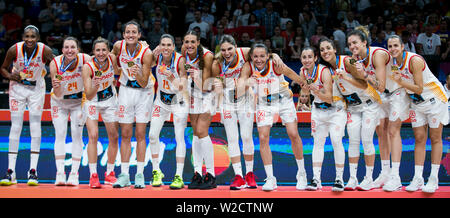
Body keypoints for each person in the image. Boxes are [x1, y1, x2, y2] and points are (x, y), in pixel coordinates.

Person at [236, 43, 307, 191]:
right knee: (263, 137)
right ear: (251, 57)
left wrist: (305, 85)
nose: (259, 59)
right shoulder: (248, 67)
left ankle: (302, 173)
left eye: (262, 56)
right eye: (255, 56)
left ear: (268, 56)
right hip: (264, 104)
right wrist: (247, 83)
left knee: (293, 134)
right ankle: (270, 178)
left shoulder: (275, 64)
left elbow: (294, 76)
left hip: (284, 101)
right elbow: (240, 86)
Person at [347, 27, 410, 191]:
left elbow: (380, 86)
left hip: (396, 91)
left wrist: (364, 75)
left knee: (393, 131)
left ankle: (395, 177)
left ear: (364, 43)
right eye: (349, 44)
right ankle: (385, 172)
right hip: (380, 96)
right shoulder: (357, 60)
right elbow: (363, 85)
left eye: (355, 43)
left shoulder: (378, 55)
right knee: (381, 131)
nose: (352, 46)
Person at [320, 37, 383, 191]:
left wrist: (345, 77)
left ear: (335, 49)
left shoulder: (348, 61)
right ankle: (353, 179)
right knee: (353, 141)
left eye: (328, 48)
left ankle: (368, 178)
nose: (325, 52)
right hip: (353, 107)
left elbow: (363, 83)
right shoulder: (328, 70)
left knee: (367, 139)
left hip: (369, 104)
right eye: (322, 50)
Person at [387, 35, 449, 193]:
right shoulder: (394, 64)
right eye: (390, 46)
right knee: (419, 138)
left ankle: (433, 179)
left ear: (402, 47)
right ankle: (418, 178)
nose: (392, 49)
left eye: (395, 45)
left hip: (434, 100)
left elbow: (419, 88)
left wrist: (400, 82)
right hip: (416, 103)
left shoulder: (415, 60)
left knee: (435, 138)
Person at [0, 25, 54, 186]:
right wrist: (10, 75)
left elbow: (56, 65)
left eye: (33, 37)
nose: (29, 40)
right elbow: (2, 68)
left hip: (36, 89)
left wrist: (53, 76)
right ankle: (11, 172)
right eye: (27, 36)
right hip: (17, 88)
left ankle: (33, 171)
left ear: (38, 38)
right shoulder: (13, 49)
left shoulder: (45, 50)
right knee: (15, 126)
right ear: (23, 37)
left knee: (35, 125)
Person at [111, 21, 155, 188]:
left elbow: (144, 83)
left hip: (144, 93)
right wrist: (117, 69)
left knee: (140, 134)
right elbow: (111, 61)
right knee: (126, 134)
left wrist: (137, 73)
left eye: (134, 32)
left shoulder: (146, 53)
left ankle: (139, 175)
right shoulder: (117, 46)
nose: (130, 34)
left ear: (139, 35)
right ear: (123, 35)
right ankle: (124, 175)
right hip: (125, 91)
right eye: (127, 32)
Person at [300, 41, 348, 192]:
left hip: (335, 110)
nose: (306, 60)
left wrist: (315, 90)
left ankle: (339, 179)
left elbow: (329, 97)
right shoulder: (303, 72)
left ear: (315, 58)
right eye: (304, 57)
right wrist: (305, 91)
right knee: (318, 143)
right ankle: (316, 180)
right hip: (318, 111)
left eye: (309, 57)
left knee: (335, 140)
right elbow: (306, 94)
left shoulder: (324, 71)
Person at [211, 35, 256, 190]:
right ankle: (238, 176)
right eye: (223, 50)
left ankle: (250, 174)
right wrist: (216, 85)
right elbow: (216, 83)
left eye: (230, 48)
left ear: (236, 46)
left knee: (246, 136)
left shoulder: (245, 52)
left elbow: (263, 53)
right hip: (228, 101)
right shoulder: (217, 62)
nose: (227, 52)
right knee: (232, 138)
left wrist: (274, 55)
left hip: (245, 99)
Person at [148, 34, 189, 189]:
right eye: (163, 44)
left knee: (179, 137)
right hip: (161, 101)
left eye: (168, 45)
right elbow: (145, 62)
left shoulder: (180, 61)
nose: (166, 48)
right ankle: (156, 171)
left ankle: (178, 176)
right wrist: (153, 51)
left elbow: (183, 86)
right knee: (152, 135)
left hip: (178, 101)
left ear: (173, 47)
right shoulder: (157, 57)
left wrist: (172, 77)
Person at [50, 37, 91, 187]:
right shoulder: (55, 63)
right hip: (59, 101)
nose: (69, 50)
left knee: (76, 135)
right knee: (60, 134)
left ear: (78, 49)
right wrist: (57, 86)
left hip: (78, 102)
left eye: (72, 47)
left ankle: (74, 173)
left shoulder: (86, 59)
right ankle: (60, 173)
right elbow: (58, 94)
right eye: (66, 47)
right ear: (62, 50)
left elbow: (102, 61)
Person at [82, 37, 120, 188]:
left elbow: (118, 70)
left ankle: (110, 173)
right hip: (92, 101)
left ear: (108, 50)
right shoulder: (88, 67)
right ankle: (93, 175)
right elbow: (89, 94)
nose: (101, 53)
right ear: (93, 51)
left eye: (104, 49)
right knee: (93, 135)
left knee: (114, 136)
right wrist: (96, 85)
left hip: (110, 100)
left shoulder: (112, 58)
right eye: (98, 50)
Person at [180, 30, 216, 190]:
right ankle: (197, 174)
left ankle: (211, 174)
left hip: (209, 93)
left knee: (202, 131)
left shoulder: (207, 56)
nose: (189, 45)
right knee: (195, 133)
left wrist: (196, 76)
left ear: (198, 42)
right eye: (186, 41)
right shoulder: (183, 52)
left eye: (192, 42)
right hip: (193, 93)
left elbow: (206, 86)